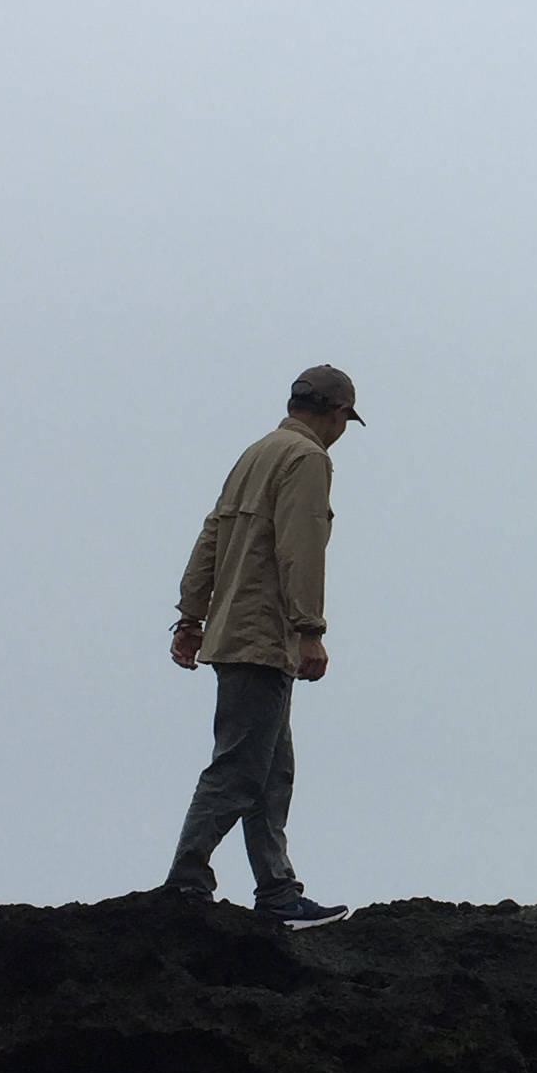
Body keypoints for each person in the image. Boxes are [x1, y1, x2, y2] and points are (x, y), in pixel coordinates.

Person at [163, 364, 362, 926]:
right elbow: (302, 546)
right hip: (262, 636)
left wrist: (191, 616)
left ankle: (276, 891)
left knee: (272, 773)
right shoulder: (308, 459)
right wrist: (310, 629)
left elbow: (211, 534)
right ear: (337, 413)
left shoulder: (255, 453)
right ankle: (185, 884)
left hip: (235, 631)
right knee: (239, 770)